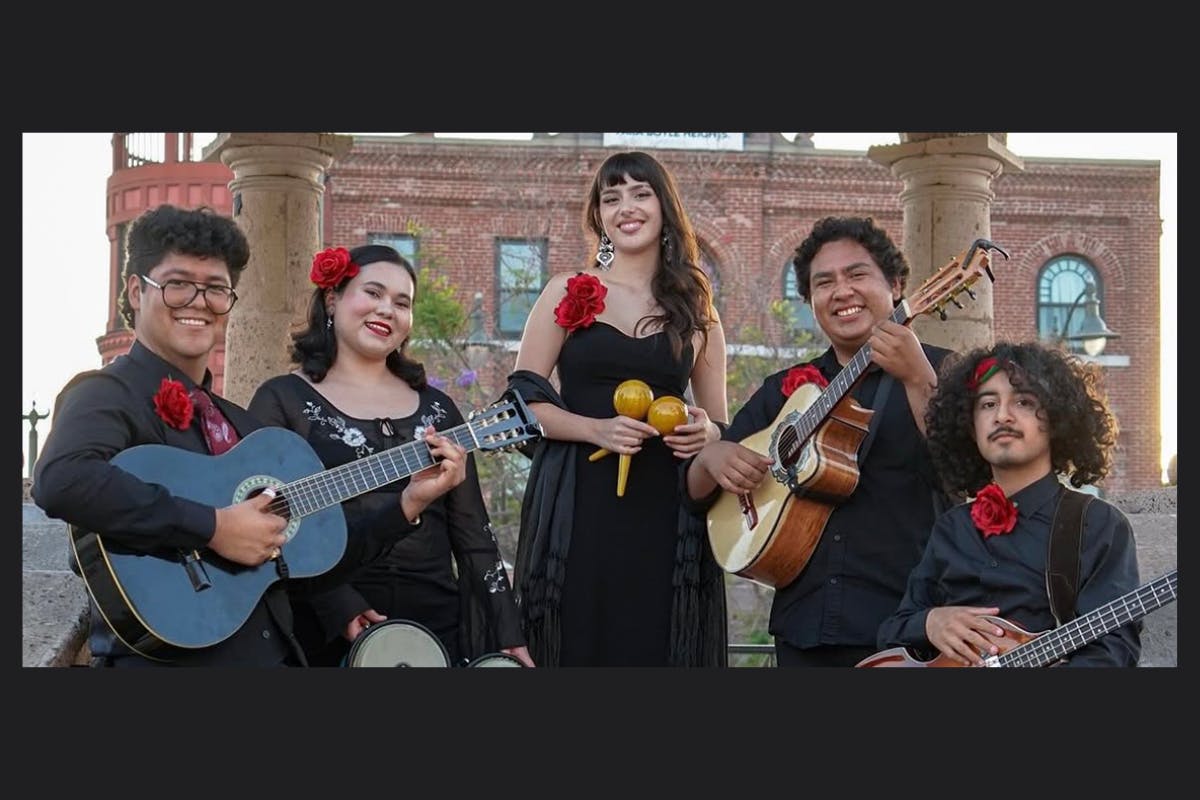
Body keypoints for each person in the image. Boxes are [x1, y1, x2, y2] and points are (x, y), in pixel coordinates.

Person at [33, 204, 306, 666]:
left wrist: (405, 506)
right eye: (178, 284)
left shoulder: (242, 424)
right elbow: (62, 479)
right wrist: (212, 526)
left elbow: (304, 554)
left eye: (217, 289)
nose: (200, 302)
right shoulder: (105, 393)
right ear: (136, 292)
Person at [684, 215, 952, 667]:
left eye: (857, 274)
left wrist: (918, 377)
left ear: (898, 285)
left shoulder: (943, 372)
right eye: (823, 282)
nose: (841, 291)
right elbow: (694, 493)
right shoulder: (784, 389)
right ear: (811, 301)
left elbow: (970, 472)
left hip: (907, 630)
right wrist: (712, 455)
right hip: (805, 631)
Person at [248, 243, 533, 667]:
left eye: (402, 303)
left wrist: (507, 631)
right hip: (328, 623)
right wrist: (338, 604)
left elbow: (474, 537)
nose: (387, 310)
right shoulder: (284, 400)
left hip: (435, 624)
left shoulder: (438, 409)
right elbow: (266, 524)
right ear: (333, 298)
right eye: (374, 293)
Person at [509, 150, 729, 666]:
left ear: (664, 207)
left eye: (640, 193)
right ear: (600, 216)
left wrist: (708, 434)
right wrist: (596, 430)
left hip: (668, 510)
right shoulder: (568, 290)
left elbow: (723, 424)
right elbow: (521, 401)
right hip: (578, 502)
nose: (625, 207)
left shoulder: (699, 310)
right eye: (611, 198)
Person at [875, 341, 1141, 666]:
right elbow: (891, 633)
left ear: (1058, 420)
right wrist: (930, 622)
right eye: (987, 404)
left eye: (1024, 401)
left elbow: (1114, 653)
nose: (1002, 415)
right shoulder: (951, 527)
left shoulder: (1098, 524)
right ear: (969, 426)